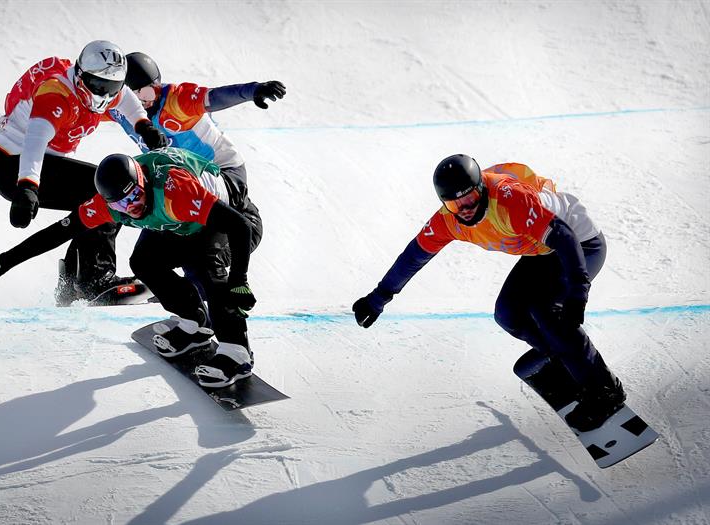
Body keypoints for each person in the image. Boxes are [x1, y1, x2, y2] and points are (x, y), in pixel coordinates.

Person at [352, 154, 626, 432]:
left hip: (581, 245)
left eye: (469, 198)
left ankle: (606, 392)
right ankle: (563, 359)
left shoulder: (510, 201)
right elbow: (413, 257)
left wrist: (578, 293)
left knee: (547, 311)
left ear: (481, 188)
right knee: (509, 313)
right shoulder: (448, 220)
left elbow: (565, 237)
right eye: (454, 203)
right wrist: (378, 298)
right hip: (542, 250)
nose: (465, 208)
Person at [0, 147, 258, 388]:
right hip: (179, 222)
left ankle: (237, 351)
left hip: (232, 217)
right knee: (143, 262)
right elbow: (57, 233)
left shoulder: (175, 187)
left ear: (142, 181)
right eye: (121, 204)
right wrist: (5, 260)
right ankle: (194, 321)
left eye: (134, 196)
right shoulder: (107, 204)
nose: (132, 207)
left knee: (206, 264)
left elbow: (239, 226)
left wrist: (239, 280)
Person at [0, 40, 168, 305]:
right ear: (80, 75)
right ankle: (95, 279)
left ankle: (73, 282)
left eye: (111, 87)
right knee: (106, 193)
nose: (104, 94)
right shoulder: (56, 94)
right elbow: (34, 142)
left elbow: (127, 99)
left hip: (33, 163)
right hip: (16, 165)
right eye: (99, 86)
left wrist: (144, 126)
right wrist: (27, 187)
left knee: (92, 203)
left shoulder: (105, 88)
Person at [110, 52, 285, 295]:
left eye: (146, 92)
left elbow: (215, 97)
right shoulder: (124, 110)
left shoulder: (176, 100)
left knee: (198, 242)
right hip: (181, 180)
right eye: (133, 94)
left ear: (157, 85)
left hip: (223, 172)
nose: (142, 100)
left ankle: (213, 292)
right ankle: (96, 273)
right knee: (114, 192)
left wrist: (252, 90)